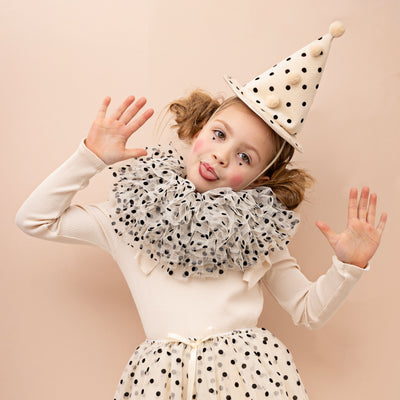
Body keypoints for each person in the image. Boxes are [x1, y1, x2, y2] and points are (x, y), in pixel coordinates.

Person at [15, 21, 387, 400]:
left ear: (259, 179)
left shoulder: (256, 235)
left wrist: (348, 268)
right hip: (162, 384)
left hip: (251, 381)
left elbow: (309, 311)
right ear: (198, 129)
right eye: (219, 134)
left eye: (245, 156)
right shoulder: (132, 216)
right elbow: (35, 219)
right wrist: (88, 158)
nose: (221, 156)